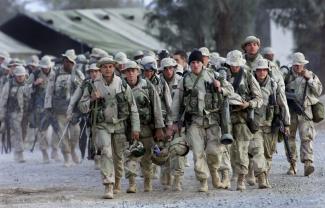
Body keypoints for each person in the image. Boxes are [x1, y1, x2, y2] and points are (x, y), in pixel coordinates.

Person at [167, 50, 234, 192]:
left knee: (214, 151)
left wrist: (220, 88)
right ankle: (203, 181)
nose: (195, 65)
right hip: (194, 122)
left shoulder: (213, 75)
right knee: (198, 154)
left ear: (202, 63)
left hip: (213, 121)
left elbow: (230, 90)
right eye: (192, 62)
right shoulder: (185, 80)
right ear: (189, 64)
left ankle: (215, 173)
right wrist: (173, 122)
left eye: (198, 62)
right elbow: (176, 102)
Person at [78, 57, 140, 199]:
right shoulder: (92, 85)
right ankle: (108, 185)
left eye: (110, 66)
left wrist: (135, 128)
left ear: (114, 68)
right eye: (104, 67)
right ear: (100, 69)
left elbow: (132, 108)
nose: (107, 69)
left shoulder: (122, 84)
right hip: (102, 125)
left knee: (119, 156)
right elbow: (82, 107)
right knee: (106, 152)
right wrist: (92, 99)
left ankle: (117, 181)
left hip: (119, 124)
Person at [122, 60, 165, 193]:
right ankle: (132, 183)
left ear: (138, 72)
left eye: (133, 71)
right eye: (127, 71)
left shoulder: (147, 86)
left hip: (146, 127)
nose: (130, 74)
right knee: (130, 156)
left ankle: (147, 182)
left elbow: (156, 107)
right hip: (128, 128)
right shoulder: (121, 87)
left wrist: (159, 128)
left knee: (147, 157)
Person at [225, 50, 263, 191]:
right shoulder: (221, 74)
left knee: (241, 149)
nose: (234, 67)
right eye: (232, 65)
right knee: (222, 149)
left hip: (241, 117)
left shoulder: (247, 75)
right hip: (224, 117)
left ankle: (241, 178)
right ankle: (224, 177)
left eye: (237, 65)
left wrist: (248, 104)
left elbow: (259, 98)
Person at [252, 58, 290, 188]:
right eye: (259, 70)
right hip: (254, 126)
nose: (262, 72)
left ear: (268, 71)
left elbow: (283, 104)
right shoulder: (249, 84)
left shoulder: (274, 85)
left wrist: (286, 124)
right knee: (257, 151)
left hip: (270, 125)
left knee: (268, 154)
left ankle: (264, 174)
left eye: (264, 70)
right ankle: (261, 177)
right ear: (255, 71)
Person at [44, 49, 84, 167]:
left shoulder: (78, 73)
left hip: (74, 110)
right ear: (63, 61)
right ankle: (67, 156)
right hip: (60, 108)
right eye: (66, 61)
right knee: (62, 133)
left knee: (76, 132)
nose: (68, 63)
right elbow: (49, 90)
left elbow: (84, 90)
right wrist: (48, 106)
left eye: (70, 62)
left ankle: (72, 150)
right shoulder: (55, 73)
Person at [284, 52, 322, 176]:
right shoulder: (287, 76)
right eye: (295, 65)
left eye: (300, 65)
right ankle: (292, 164)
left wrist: (309, 79)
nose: (298, 67)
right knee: (290, 138)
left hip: (305, 111)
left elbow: (318, 91)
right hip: (290, 111)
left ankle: (308, 163)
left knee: (307, 137)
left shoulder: (310, 75)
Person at [0, 65, 32, 162]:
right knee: (17, 132)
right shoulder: (9, 84)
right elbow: (3, 100)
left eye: (22, 76)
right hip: (13, 113)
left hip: (25, 113)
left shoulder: (27, 84)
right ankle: (20, 154)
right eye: (19, 76)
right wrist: (2, 115)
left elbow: (31, 97)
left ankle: (17, 152)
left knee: (23, 132)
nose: (20, 77)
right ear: (15, 76)